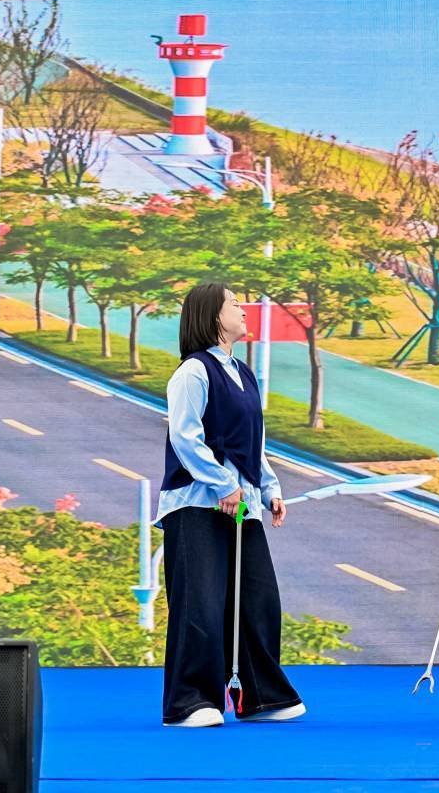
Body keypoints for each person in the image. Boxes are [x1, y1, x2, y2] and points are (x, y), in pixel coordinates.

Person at [159, 283, 303, 728]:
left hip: (242, 503)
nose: (244, 310)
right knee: (200, 604)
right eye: (235, 304)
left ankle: (260, 697)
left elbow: (252, 443)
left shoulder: (243, 372)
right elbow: (186, 437)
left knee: (258, 601)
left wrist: (270, 488)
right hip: (196, 503)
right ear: (213, 316)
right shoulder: (193, 372)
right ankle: (189, 703)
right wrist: (223, 484)